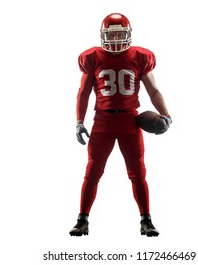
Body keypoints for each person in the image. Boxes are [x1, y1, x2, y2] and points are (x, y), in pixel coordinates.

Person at [70, 13, 172, 237]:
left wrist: (166, 114)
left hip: (129, 120)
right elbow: (83, 93)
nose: (116, 38)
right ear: (103, 35)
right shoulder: (92, 58)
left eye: (120, 33)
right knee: (92, 172)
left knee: (138, 173)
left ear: (128, 34)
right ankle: (82, 220)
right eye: (111, 33)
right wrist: (79, 122)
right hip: (103, 121)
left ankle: (146, 220)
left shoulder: (139, 57)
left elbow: (153, 90)